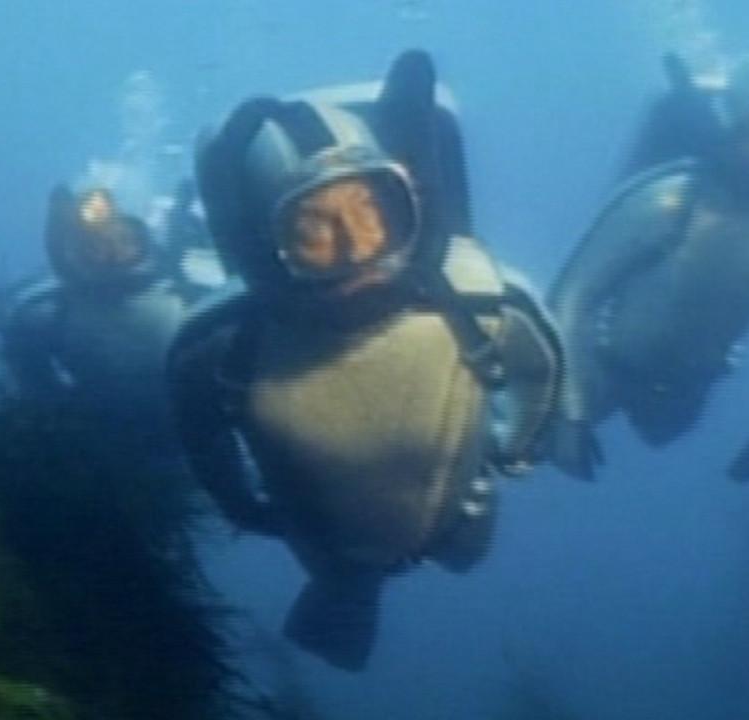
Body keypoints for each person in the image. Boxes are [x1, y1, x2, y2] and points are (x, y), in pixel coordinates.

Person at [169, 50, 563, 670]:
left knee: (459, 555)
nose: (354, 246)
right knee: (356, 582)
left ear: (405, 200)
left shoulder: (476, 293)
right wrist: (519, 447)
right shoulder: (223, 340)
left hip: (455, 524)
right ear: (266, 244)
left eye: (371, 211)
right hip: (335, 552)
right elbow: (202, 436)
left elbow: (541, 369)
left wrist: (517, 448)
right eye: (313, 229)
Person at [546, 47, 749, 481]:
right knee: (524, 449)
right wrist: (569, 408)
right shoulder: (666, 202)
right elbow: (573, 297)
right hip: (605, 368)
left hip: (685, 392)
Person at [3, 176, 219, 446]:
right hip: (120, 446)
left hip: (207, 430)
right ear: (73, 255)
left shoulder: (190, 283)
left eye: (125, 240)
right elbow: (38, 389)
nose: (116, 253)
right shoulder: (47, 316)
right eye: (96, 248)